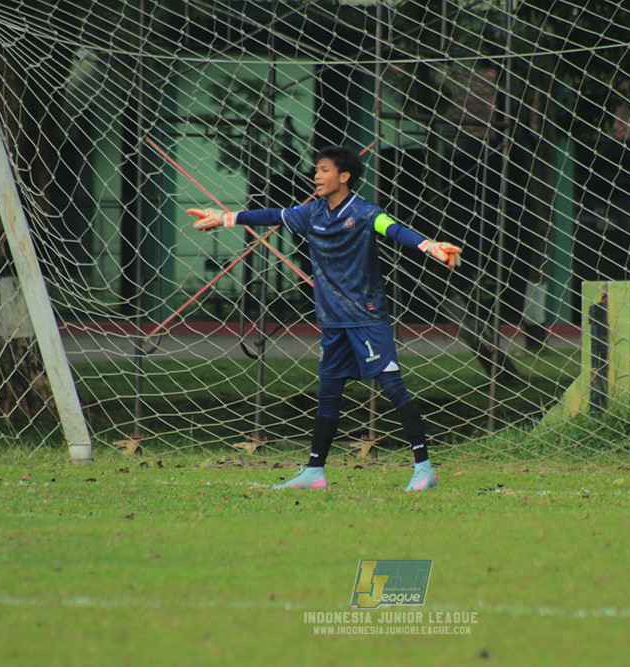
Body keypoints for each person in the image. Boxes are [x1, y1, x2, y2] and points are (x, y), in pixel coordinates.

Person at [187, 146, 461, 491]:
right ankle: (314, 473)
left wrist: (428, 245)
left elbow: (392, 228)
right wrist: (226, 217)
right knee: (328, 391)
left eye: (325, 170)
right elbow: (273, 215)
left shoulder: (363, 212)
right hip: (332, 322)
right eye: (317, 169)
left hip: (366, 317)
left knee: (392, 387)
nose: (317, 175)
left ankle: (425, 469)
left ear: (344, 177)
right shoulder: (310, 213)